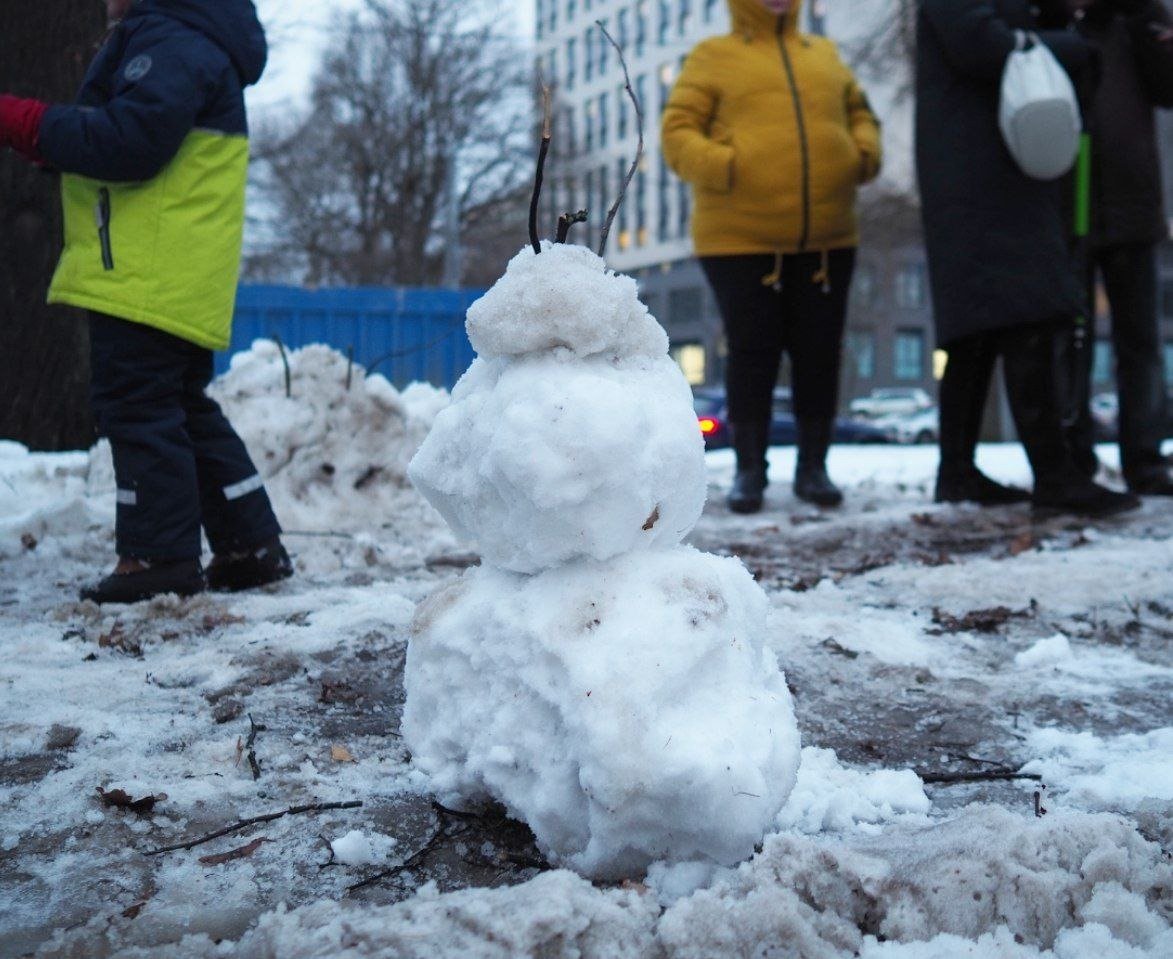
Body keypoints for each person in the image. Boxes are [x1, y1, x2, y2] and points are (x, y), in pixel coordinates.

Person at [0, 0, 293, 603]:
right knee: (180, 407)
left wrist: (29, 123)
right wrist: (54, 146)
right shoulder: (197, 40)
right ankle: (249, 544)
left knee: (136, 406)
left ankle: (157, 558)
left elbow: (130, 143)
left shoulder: (171, 38)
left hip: (144, 267)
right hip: (175, 267)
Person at [917, 0, 1140, 516]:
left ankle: (959, 473)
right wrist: (1069, 47)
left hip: (983, 167)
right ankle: (1054, 474)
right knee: (1029, 313)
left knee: (980, 328)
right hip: (985, 173)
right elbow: (982, 45)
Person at [662, 0, 881, 513]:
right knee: (752, 352)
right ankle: (749, 472)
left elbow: (861, 113)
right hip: (739, 239)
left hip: (829, 238)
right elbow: (677, 132)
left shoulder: (823, 54)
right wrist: (727, 167)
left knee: (820, 353)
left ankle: (813, 469)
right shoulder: (713, 56)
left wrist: (861, 154)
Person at [1060, 0, 1173, 495]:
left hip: (1132, 201)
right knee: (1070, 342)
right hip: (1067, 206)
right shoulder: (1048, 21)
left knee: (1140, 342)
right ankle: (1072, 457)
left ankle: (1145, 460)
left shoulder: (1136, 21)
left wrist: (1155, 28)